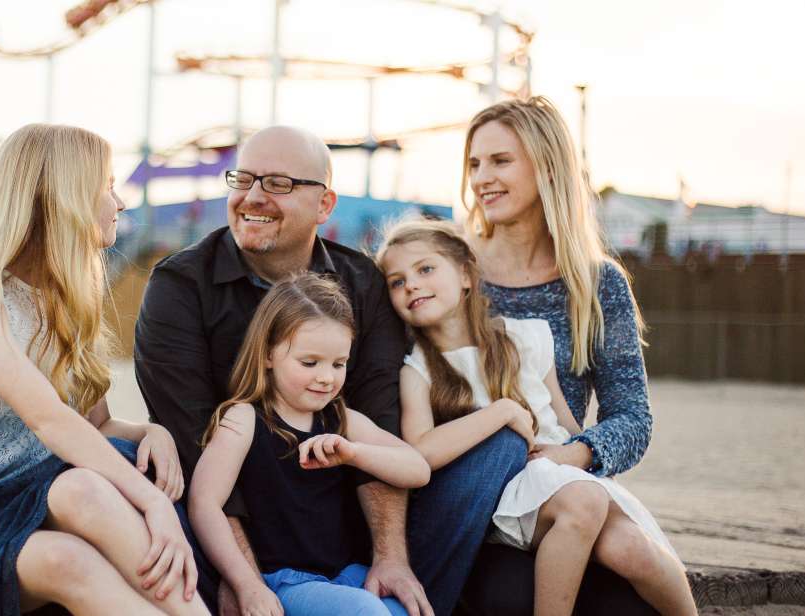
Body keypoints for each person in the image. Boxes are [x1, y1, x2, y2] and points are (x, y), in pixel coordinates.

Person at [136, 125, 524, 616]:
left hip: (343, 535)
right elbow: (191, 442)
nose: (253, 197)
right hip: (229, 539)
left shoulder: (363, 285)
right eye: (243, 179)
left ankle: (405, 596)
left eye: (278, 183)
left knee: (496, 451)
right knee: (135, 456)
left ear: (324, 206)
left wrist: (390, 558)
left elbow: (382, 426)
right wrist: (248, 585)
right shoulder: (180, 284)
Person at [0, 124, 208, 616]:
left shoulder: (63, 304)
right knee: (69, 553)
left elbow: (95, 427)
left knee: (81, 489)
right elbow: (49, 420)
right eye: (107, 187)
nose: (120, 202)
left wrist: (152, 432)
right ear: (65, 198)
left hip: (41, 501)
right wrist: (153, 503)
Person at [378, 219, 696, 616]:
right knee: (581, 503)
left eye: (425, 269)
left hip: (562, 471)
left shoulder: (526, 337)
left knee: (632, 550)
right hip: (511, 492)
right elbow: (420, 455)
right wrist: (502, 411)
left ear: (464, 274)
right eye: (396, 281)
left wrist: (586, 464)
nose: (410, 284)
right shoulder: (418, 369)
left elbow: (564, 422)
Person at [455, 96, 663, 614]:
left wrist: (573, 455)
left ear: (547, 166)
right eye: (474, 164)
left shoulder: (597, 285)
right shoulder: (451, 269)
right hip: (474, 499)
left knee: (629, 603)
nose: (483, 178)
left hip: (562, 493)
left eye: (501, 161)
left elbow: (633, 418)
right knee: (508, 600)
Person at [190, 274, 430, 616]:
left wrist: (354, 453)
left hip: (346, 575)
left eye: (339, 364)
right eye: (309, 362)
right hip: (285, 583)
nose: (327, 377)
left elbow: (417, 469)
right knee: (368, 612)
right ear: (269, 354)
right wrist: (246, 584)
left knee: (402, 609)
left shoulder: (342, 420)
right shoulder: (244, 419)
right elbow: (205, 502)